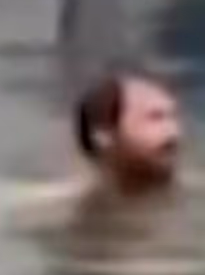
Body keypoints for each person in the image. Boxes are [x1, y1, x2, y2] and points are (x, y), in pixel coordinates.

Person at [73, 69, 184, 198]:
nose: (174, 133)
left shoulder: (203, 199)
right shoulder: (62, 211)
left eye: (174, 116)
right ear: (103, 134)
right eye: (155, 118)